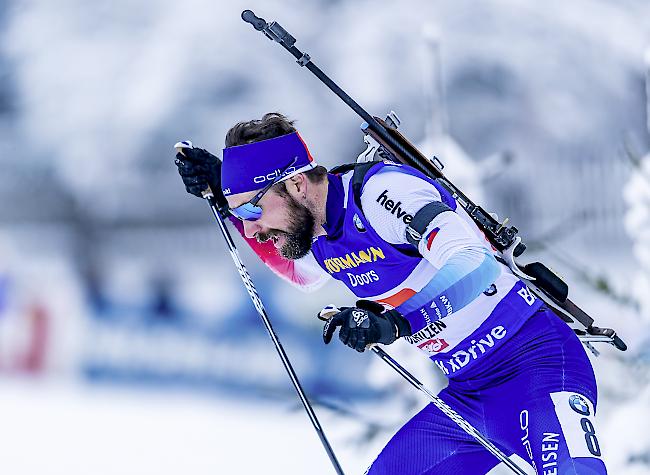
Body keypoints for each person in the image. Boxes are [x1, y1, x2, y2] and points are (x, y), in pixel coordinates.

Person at [175, 112, 607, 474]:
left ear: (297, 185)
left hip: (537, 365)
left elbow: (475, 261)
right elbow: (295, 270)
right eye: (241, 215)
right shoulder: (317, 234)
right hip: (470, 395)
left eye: (253, 208)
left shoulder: (381, 195)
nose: (250, 227)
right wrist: (225, 200)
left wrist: (398, 320)